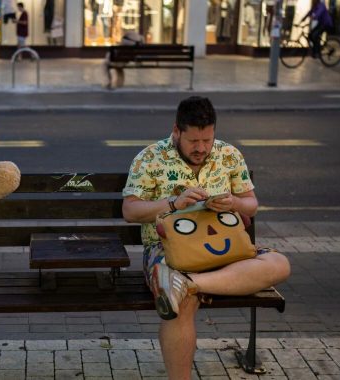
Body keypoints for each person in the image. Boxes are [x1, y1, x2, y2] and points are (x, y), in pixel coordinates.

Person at [121, 96, 291, 380]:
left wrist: (233, 203)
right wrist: (173, 203)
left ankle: (187, 284)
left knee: (280, 264)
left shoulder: (229, 155)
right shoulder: (150, 158)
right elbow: (130, 211)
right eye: (193, 141)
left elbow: (251, 205)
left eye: (207, 140)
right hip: (167, 250)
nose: (201, 149)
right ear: (176, 131)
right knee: (183, 305)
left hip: (223, 249)